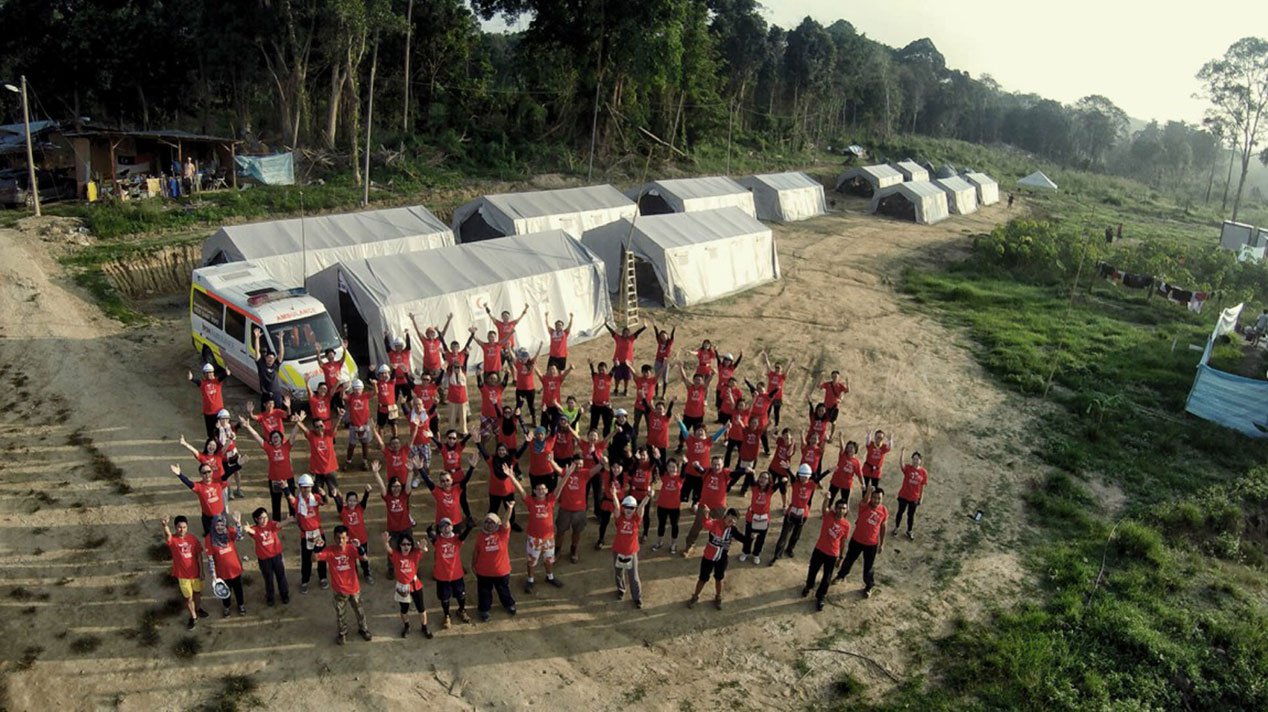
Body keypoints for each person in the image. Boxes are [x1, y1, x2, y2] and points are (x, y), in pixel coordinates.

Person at [510, 464, 575, 593]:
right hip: (534, 538)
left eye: (543, 489)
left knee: (549, 559)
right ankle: (530, 580)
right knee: (531, 561)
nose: (540, 490)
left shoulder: (550, 500)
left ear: (546, 491)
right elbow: (520, 490)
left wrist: (567, 474)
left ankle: (550, 577)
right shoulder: (530, 502)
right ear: (534, 491)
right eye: (538, 489)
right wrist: (512, 476)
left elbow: (560, 487)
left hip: (549, 538)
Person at [315, 525, 373, 644]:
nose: (340, 541)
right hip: (339, 590)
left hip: (354, 589)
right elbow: (314, 559)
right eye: (337, 538)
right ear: (334, 538)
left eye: (343, 538)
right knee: (340, 614)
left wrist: (360, 547)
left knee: (359, 611)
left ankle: (363, 629)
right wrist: (316, 547)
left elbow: (365, 559)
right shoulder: (329, 550)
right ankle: (342, 633)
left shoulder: (352, 549)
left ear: (347, 538)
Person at [686, 507, 750, 610]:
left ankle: (718, 596)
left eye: (735, 519)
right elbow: (707, 525)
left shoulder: (732, 530)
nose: (732, 521)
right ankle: (695, 596)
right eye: (731, 517)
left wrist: (751, 536)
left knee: (719, 578)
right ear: (726, 515)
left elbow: (742, 538)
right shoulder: (715, 523)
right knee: (703, 578)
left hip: (722, 558)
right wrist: (706, 515)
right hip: (708, 557)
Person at [240, 415, 300, 522]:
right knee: (276, 500)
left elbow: (293, 435)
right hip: (274, 480)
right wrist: (248, 426)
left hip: (288, 478)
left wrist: (298, 422)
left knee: (291, 499)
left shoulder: (287, 446)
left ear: (281, 439)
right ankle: (276, 519)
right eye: (273, 437)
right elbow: (257, 437)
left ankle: (293, 516)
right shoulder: (268, 448)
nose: (275, 439)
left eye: (277, 437)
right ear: (271, 440)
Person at [833, 485, 888, 597]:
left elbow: (883, 527)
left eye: (879, 498)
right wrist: (868, 491)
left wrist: (882, 543)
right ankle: (841, 576)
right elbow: (864, 500)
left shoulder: (884, 511)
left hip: (871, 544)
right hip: (857, 540)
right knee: (849, 560)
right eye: (874, 497)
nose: (876, 500)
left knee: (868, 567)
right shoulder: (864, 506)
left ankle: (869, 586)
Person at [768, 463, 828, 564]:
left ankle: (790, 549)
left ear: (808, 477)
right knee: (784, 534)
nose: (803, 478)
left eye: (805, 477)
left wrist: (828, 471)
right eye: (801, 476)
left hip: (802, 514)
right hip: (791, 513)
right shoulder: (795, 483)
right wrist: (787, 469)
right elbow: (791, 475)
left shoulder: (811, 484)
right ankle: (776, 555)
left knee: (796, 535)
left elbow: (819, 477)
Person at [802, 497, 851, 611]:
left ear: (846, 510)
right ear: (835, 508)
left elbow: (843, 541)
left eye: (843, 508)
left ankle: (821, 596)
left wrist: (840, 556)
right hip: (819, 549)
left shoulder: (846, 525)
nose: (841, 510)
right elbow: (824, 508)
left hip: (832, 554)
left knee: (827, 577)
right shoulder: (829, 516)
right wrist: (826, 499)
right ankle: (809, 586)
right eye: (839, 508)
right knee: (812, 569)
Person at [383, 530, 432, 638]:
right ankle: (407, 626)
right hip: (402, 586)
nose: (406, 546)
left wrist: (423, 547)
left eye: (409, 544)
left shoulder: (415, 553)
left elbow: (424, 550)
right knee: (404, 609)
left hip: (415, 585)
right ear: (399, 545)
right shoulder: (396, 555)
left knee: (421, 608)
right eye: (403, 544)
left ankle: (424, 627)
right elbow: (389, 550)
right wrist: (386, 542)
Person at [611, 484, 653, 609]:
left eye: (631, 507)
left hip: (631, 552)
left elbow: (641, 507)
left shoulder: (636, 519)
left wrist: (647, 497)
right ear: (624, 507)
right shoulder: (619, 518)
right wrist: (613, 494)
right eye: (627, 507)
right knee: (618, 572)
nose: (629, 509)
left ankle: (637, 597)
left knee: (633, 576)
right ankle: (621, 589)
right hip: (618, 550)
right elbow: (617, 507)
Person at [471, 506, 517, 621]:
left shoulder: (503, 533)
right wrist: (473, 564)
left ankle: (508, 604)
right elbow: (476, 551)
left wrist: (510, 509)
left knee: (503, 590)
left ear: (497, 524)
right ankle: (484, 609)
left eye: (492, 522)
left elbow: (506, 521)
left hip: (501, 571)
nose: (489, 524)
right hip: (484, 572)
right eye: (486, 521)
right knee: (484, 592)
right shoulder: (480, 536)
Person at [162, 515, 208, 629]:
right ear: (175, 527)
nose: (182, 530)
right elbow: (167, 535)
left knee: (197, 593)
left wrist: (202, 571)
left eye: (184, 527)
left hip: (195, 573)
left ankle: (198, 609)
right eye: (179, 527)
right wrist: (164, 526)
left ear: (187, 527)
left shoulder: (193, 539)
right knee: (188, 598)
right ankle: (193, 617)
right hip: (183, 576)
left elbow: (199, 556)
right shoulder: (173, 540)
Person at [426, 517, 473, 628]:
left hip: (456, 574)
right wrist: (428, 530)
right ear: (440, 529)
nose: (446, 528)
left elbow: (463, 536)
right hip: (442, 576)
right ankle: (447, 615)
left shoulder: (457, 539)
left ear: (452, 527)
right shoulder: (437, 540)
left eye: (448, 525)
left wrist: (469, 528)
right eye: (443, 526)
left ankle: (461, 610)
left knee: (461, 595)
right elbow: (430, 536)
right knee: (444, 598)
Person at [681, 456, 731, 557]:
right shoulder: (707, 472)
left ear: (723, 465)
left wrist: (747, 471)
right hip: (704, 505)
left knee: (718, 527)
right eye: (714, 464)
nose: (716, 467)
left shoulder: (726, 474)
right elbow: (700, 469)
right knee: (697, 526)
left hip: (719, 507)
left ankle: (718, 547)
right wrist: (696, 465)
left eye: (719, 464)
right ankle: (689, 546)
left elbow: (737, 473)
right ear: (711, 464)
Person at [556, 457, 603, 564]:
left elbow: (595, 469)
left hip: (580, 510)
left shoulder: (584, 473)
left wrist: (602, 462)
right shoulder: (566, 472)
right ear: (572, 464)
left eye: (581, 464)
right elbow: (557, 468)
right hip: (565, 509)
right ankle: (557, 550)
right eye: (577, 464)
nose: (579, 466)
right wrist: (550, 460)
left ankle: (574, 550)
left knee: (577, 532)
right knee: (560, 531)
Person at [240, 507, 289, 606]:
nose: (265, 519)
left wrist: (288, 521)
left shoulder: (271, 524)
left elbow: (279, 525)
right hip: (264, 560)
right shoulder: (255, 529)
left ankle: (284, 595)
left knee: (281, 576)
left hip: (276, 557)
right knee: (268, 579)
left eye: (266, 517)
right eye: (262, 518)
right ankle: (270, 597)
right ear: (256, 519)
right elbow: (253, 532)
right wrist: (247, 529)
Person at [288, 474, 328, 593]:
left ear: (311, 487)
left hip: (317, 533)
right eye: (303, 487)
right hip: (306, 535)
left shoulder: (315, 498)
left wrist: (324, 494)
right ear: (299, 487)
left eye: (308, 487)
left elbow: (325, 502)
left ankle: (323, 578)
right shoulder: (297, 501)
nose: (306, 490)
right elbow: (289, 498)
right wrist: (285, 488)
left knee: (321, 557)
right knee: (306, 559)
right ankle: (305, 580)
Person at [170, 461, 232, 536]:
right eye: (204, 473)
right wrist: (180, 475)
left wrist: (238, 464)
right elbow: (189, 483)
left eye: (209, 471)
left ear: (212, 472)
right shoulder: (199, 486)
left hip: (221, 515)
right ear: (200, 474)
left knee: (226, 534)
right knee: (209, 537)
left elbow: (227, 474)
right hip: (207, 518)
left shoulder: (218, 482)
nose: (207, 474)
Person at [331, 480, 374, 583]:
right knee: (351, 560)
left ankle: (367, 574)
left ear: (357, 501)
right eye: (350, 500)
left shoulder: (360, 508)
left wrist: (367, 492)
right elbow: (338, 504)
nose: (352, 503)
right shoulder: (343, 510)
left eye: (354, 500)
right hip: (349, 541)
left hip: (362, 539)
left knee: (363, 558)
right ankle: (353, 574)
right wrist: (335, 496)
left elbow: (365, 500)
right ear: (346, 501)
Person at [205, 514, 248, 616]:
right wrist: (213, 574)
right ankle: (226, 607)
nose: (219, 527)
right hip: (222, 572)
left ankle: (241, 605)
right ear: (213, 525)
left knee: (238, 589)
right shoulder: (209, 538)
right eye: (217, 525)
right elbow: (210, 557)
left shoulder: (230, 531)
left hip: (235, 569)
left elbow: (239, 537)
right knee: (224, 591)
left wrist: (238, 523)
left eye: (222, 525)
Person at [294, 412, 340, 490]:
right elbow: (304, 429)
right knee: (318, 494)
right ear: (314, 428)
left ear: (324, 425)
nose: (319, 429)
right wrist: (298, 421)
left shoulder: (329, 433)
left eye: (321, 426)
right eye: (317, 427)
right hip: (317, 471)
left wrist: (340, 417)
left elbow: (335, 426)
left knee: (335, 493)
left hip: (330, 469)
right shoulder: (311, 435)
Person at [740, 471, 777, 564]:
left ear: (769, 481)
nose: (762, 480)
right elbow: (750, 477)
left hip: (764, 518)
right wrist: (751, 472)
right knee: (748, 537)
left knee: (760, 539)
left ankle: (756, 554)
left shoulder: (770, 490)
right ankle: (745, 552)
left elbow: (780, 484)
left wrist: (784, 479)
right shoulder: (754, 487)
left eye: (765, 478)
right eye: (761, 477)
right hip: (751, 517)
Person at [651, 458, 684, 554]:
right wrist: (657, 458)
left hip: (675, 507)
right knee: (661, 524)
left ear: (677, 468)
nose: (671, 469)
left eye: (674, 467)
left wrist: (685, 464)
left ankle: (673, 544)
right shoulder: (664, 476)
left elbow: (684, 472)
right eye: (669, 466)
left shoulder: (680, 478)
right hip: (662, 506)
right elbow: (660, 466)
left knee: (675, 525)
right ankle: (659, 542)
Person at [677, 365, 713, 451]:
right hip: (688, 414)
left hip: (699, 416)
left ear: (701, 381)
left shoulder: (703, 388)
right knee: (683, 431)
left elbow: (708, 382)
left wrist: (712, 374)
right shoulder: (690, 387)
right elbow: (684, 378)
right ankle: (681, 445)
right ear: (693, 380)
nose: (697, 381)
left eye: (699, 380)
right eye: (696, 379)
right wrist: (680, 367)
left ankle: (696, 447)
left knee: (698, 433)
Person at [604, 322, 646, 396]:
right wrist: (606, 325)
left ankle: (625, 390)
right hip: (618, 361)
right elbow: (612, 332)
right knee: (617, 377)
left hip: (627, 362)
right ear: (622, 333)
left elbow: (637, 333)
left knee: (626, 377)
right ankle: (616, 389)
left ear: (629, 334)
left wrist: (644, 327)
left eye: (627, 333)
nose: (625, 334)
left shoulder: (631, 339)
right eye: (624, 332)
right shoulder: (618, 338)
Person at [894, 450, 928, 540]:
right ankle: (896, 528)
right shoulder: (908, 468)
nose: (915, 461)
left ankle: (909, 530)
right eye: (914, 459)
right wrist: (902, 452)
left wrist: (921, 498)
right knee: (900, 512)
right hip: (904, 495)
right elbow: (901, 464)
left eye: (917, 459)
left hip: (914, 498)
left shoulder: (923, 472)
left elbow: (922, 486)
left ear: (920, 460)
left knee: (911, 515)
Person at [409, 312, 453, 381]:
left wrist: (449, 320)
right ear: (426, 334)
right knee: (427, 383)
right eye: (429, 333)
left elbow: (444, 331)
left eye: (432, 333)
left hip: (436, 367)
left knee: (437, 384)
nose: (431, 334)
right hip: (427, 367)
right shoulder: (425, 341)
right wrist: (413, 320)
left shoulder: (437, 340)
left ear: (434, 334)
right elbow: (418, 331)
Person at [188, 362, 227, 438]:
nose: (210, 374)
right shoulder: (202, 383)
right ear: (204, 374)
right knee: (210, 432)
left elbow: (222, 377)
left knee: (221, 431)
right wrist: (191, 379)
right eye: (208, 372)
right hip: (208, 412)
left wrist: (226, 373)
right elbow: (197, 381)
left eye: (211, 372)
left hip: (219, 412)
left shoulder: (217, 381)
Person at [252, 327, 286, 407]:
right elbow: (257, 351)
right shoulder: (261, 365)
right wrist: (257, 338)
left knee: (278, 412)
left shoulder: (276, 365)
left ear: (274, 359)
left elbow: (281, 353)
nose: (270, 359)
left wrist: (280, 340)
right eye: (268, 358)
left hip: (276, 393)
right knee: (265, 414)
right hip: (265, 394)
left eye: (272, 358)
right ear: (266, 358)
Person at [535, 362, 572, 430]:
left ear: (556, 371)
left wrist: (570, 368)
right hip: (546, 406)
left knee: (555, 426)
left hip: (556, 405)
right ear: (548, 371)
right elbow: (539, 374)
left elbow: (564, 374)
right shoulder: (545, 379)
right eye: (550, 369)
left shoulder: (558, 379)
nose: (552, 371)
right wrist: (534, 367)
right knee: (543, 426)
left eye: (553, 369)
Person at [761, 351, 794, 427]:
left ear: (781, 369)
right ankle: (764, 425)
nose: (777, 369)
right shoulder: (771, 374)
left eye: (778, 367)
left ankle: (776, 427)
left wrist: (791, 363)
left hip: (778, 398)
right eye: (776, 367)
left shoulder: (782, 376)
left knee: (776, 413)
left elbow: (787, 371)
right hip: (769, 396)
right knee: (767, 412)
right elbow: (768, 366)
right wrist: (766, 358)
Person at [826, 437, 862, 508]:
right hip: (836, 481)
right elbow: (842, 448)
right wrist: (840, 437)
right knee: (830, 497)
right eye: (848, 447)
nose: (850, 449)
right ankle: (826, 511)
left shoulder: (856, 462)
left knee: (845, 501)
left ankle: (843, 515)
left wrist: (863, 484)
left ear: (855, 449)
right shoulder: (843, 455)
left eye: (852, 447)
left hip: (846, 484)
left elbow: (859, 474)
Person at [512, 346, 542, 426]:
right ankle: (514, 422)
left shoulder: (531, 363)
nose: (524, 358)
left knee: (531, 405)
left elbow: (537, 355)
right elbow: (512, 356)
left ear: (528, 357)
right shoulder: (518, 363)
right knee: (518, 405)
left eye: (526, 356)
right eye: (523, 356)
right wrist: (508, 348)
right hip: (520, 389)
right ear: (520, 357)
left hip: (530, 389)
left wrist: (540, 347)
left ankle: (534, 421)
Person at [385, 329, 415, 403]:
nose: (398, 347)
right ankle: (394, 413)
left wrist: (407, 334)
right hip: (395, 380)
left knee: (408, 398)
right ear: (395, 346)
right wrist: (386, 336)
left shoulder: (406, 353)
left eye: (400, 346)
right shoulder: (392, 354)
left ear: (402, 346)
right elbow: (387, 347)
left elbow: (408, 345)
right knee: (393, 399)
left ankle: (410, 413)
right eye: (397, 346)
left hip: (405, 379)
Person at [588, 359, 615, 436]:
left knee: (607, 424)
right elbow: (592, 371)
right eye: (600, 369)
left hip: (605, 405)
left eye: (603, 369)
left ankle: (606, 440)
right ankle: (592, 438)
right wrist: (591, 364)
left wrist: (615, 365)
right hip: (595, 405)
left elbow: (613, 370)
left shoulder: (608, 377)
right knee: (593, 424)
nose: (601, 371)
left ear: (606, 370)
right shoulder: (595, 376)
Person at [631, 365, 658, 439]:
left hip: (648, 407)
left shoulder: (653, 380)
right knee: (636, 422)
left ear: (651, 373)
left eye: (648, 372)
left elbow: (659, 374)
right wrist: (629, 366)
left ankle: (650, 436)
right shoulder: (639, 380)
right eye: (644, 372)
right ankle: (634, 436)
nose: (646, 374)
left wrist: (665, 365)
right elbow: (633, 373)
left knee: (649, 423)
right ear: (642, 372)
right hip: (638, 406)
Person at [650, 319, 675, 397]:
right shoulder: (660, 342)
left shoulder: (669, 343)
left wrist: (674, 329)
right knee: (656, 377)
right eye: (662, 336)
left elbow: (672, 336)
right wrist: (654, 326)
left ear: (667, 336)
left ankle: (663, 394)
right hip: (658, 361)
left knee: (665, 378)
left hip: (665, 362)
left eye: (665, 336)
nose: (663, 337)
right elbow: (656, 333)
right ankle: (656, 393)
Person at [442, 362, 469, 434]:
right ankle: (451, 430)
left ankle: (463, 431)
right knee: (452, 416)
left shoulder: (463, 375)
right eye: (455, 367)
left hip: (462, 399)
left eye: (458, 367)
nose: (456, 369)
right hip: (452, 399)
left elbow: (465, 363)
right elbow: (445, 371)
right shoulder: (450, 375)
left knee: (463, 416)